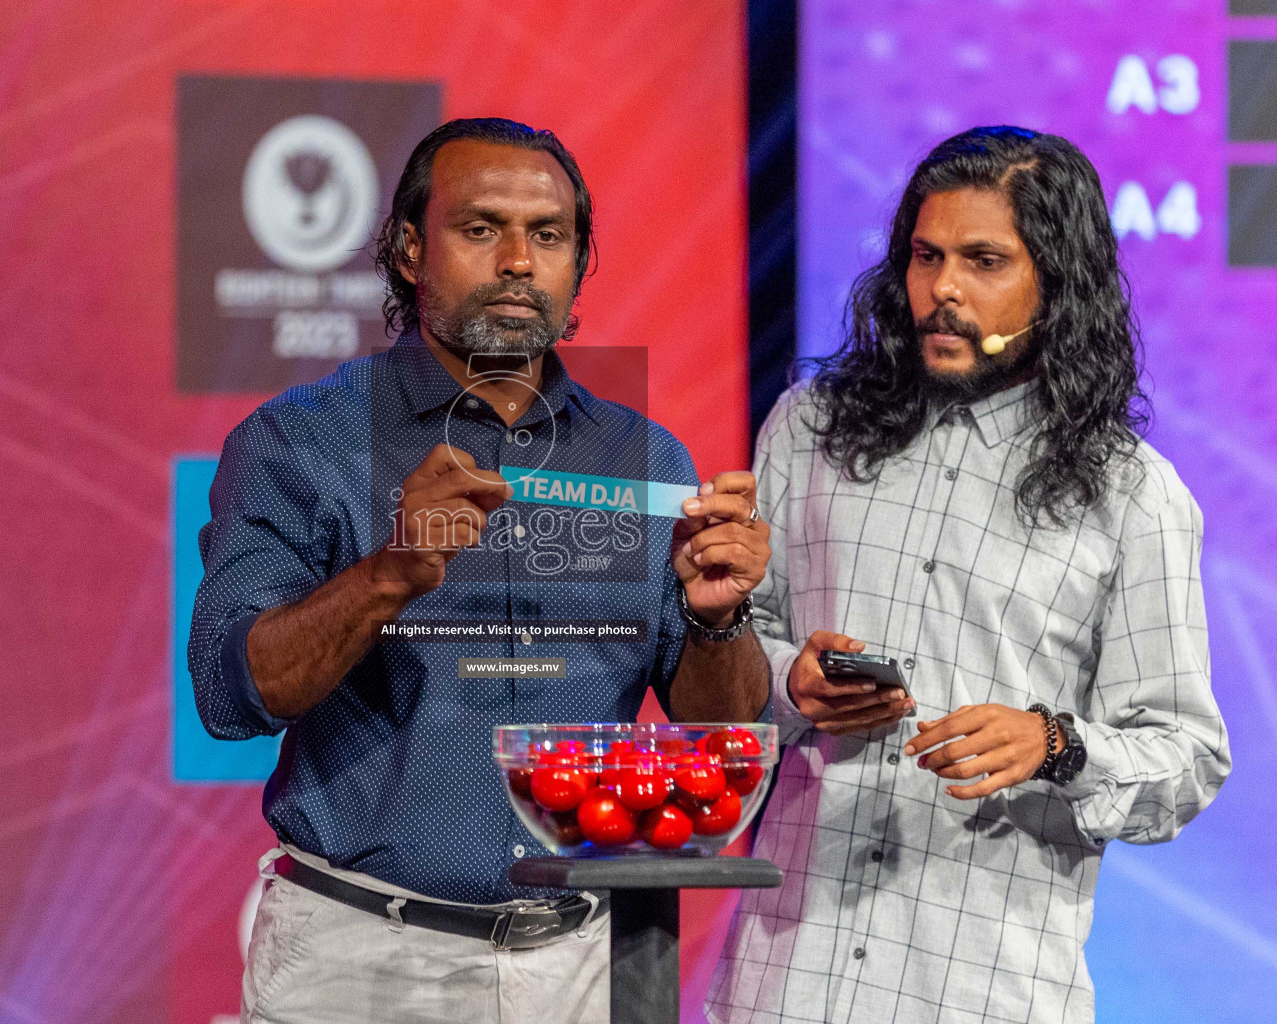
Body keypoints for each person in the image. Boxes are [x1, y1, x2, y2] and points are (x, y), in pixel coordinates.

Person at [190, 117, 773, 1024]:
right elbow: (233, 697)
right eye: (480, 228)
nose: (516, 261)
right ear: (410, 249)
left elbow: (718, 727)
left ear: (579, 260)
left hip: (581, 965)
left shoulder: (643, 456)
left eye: (547, 235)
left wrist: (715, 618)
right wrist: (391, 572)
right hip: (359, 961)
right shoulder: (304, 441)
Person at [705, 126, 1230, 1024]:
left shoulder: (1133, 494)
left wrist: (1055, 746)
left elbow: (1186, 757)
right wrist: (791, 678)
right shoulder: (810, 429)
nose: (942, 289)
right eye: (925, 255)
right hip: (788, 976)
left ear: (1056, 286)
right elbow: (730, 660)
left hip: (985, 988)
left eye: (984, 260)